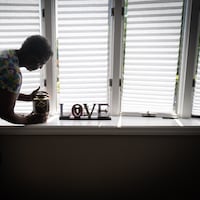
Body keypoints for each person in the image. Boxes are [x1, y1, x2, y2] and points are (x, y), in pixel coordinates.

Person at [0, 35, 53, 124]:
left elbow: (4, 93)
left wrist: (27, 97)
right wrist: (29, 120)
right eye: (41, 63)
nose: (40, 67)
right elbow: (5, 113)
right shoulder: (13, 74)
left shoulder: (6, 54)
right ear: (33, 59)